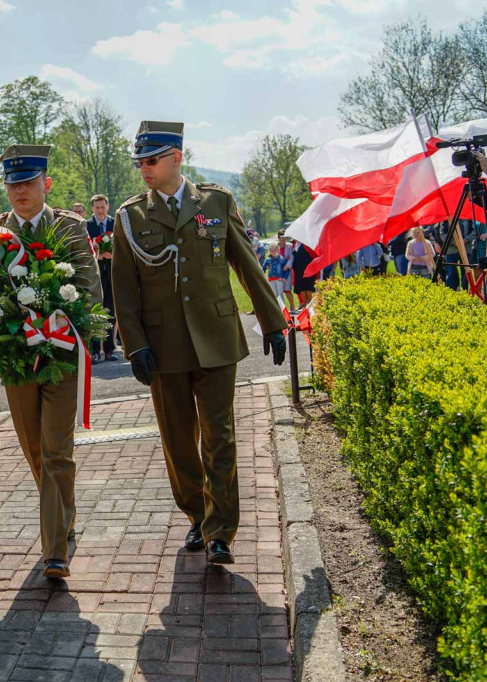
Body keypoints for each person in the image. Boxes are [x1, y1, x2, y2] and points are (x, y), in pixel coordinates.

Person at [111, 121, 287, 566]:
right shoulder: (130, 217)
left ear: (176, 158)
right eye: (140, 163)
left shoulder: (216, 202)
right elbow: (125, 290)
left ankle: (221, 530)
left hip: (215, 339)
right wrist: (135, 345)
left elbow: (247, 265)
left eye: (151, 160)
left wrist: (273, 322)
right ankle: (196, 513)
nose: (144, 169)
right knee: (178, 442)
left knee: (220, 436)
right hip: (163, 345)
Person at [0, 144, 103, 579]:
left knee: (55, 448)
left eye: (29, 182)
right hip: (16, 361)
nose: (21, 191)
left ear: (46, 184)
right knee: (34, 448)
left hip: (61, 356)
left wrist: (58, 325)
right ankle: (64, 514)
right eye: (13, 184)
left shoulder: (69, 229)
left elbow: (91, 291)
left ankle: (54, 550)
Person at [83, 194, 118, 362]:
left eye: (102, 207)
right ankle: (96, 350)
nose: (100, 210)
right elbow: (83, 248)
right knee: (96, 309)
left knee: (111, 308)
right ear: (92, 209)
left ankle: (110, 349)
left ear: (108, 207)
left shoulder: (114, 224)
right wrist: (96, 254)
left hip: (112, 270)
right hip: (94, 271)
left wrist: (112, 254)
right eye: (97, 207)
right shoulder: (87, 226)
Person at [290, 240, 317, 308]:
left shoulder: (307, 244)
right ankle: (305, 306)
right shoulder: (294, 245)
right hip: (298, 271)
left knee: (309, 288)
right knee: (302, 289)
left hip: (308, 270)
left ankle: (309, 306)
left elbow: (313, 255)